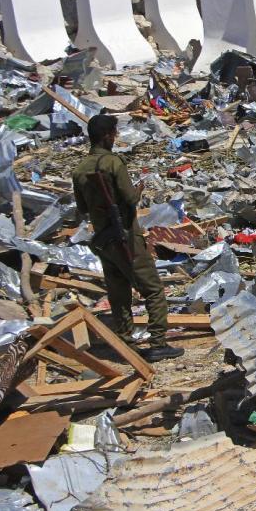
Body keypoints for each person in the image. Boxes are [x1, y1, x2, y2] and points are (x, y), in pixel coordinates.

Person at [71, 115, 184, 362]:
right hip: (126, 238)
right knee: (153, 289)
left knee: (118, 292)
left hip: (103, 239)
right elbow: (130, 199)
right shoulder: (113, 163)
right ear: (107, 135)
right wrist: (139, 190)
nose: (116, 137)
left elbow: (82, 208)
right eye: (114, 133)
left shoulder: (79, 169)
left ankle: (124, 340)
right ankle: (157, 342)